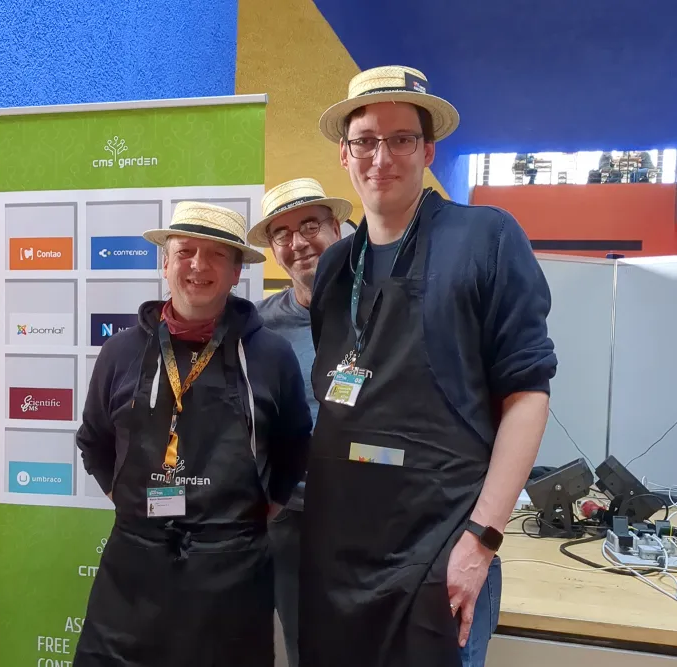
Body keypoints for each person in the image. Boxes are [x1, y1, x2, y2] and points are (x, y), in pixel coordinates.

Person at [300, 65, 558, 667]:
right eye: (365, 140)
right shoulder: (338, 265)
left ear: (427, 149)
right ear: (344, 153)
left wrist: (483, 540)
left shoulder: (485, 237)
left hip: (441, 547)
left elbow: (527, 396)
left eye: (401, 139)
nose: (381, 157)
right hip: (339, 552)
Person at [74, 201, 313, 667]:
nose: (198, 266)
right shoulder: (120, 352)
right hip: (133, 573)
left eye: (216, 255)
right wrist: (131, 501)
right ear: (164, 262)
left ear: (237, 271)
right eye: (185, 251)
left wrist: (257, 514)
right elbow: (94, 441)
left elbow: (294, 446)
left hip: (232, 575)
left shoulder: (271, 355)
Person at [246, 177, 353, 667]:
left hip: (373, 518)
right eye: (282, 234)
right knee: (305, 651)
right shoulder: (257, 327)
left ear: (338, 227)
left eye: (310, 225)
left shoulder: (384, 310)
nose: (298, 242)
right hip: (291, 524)